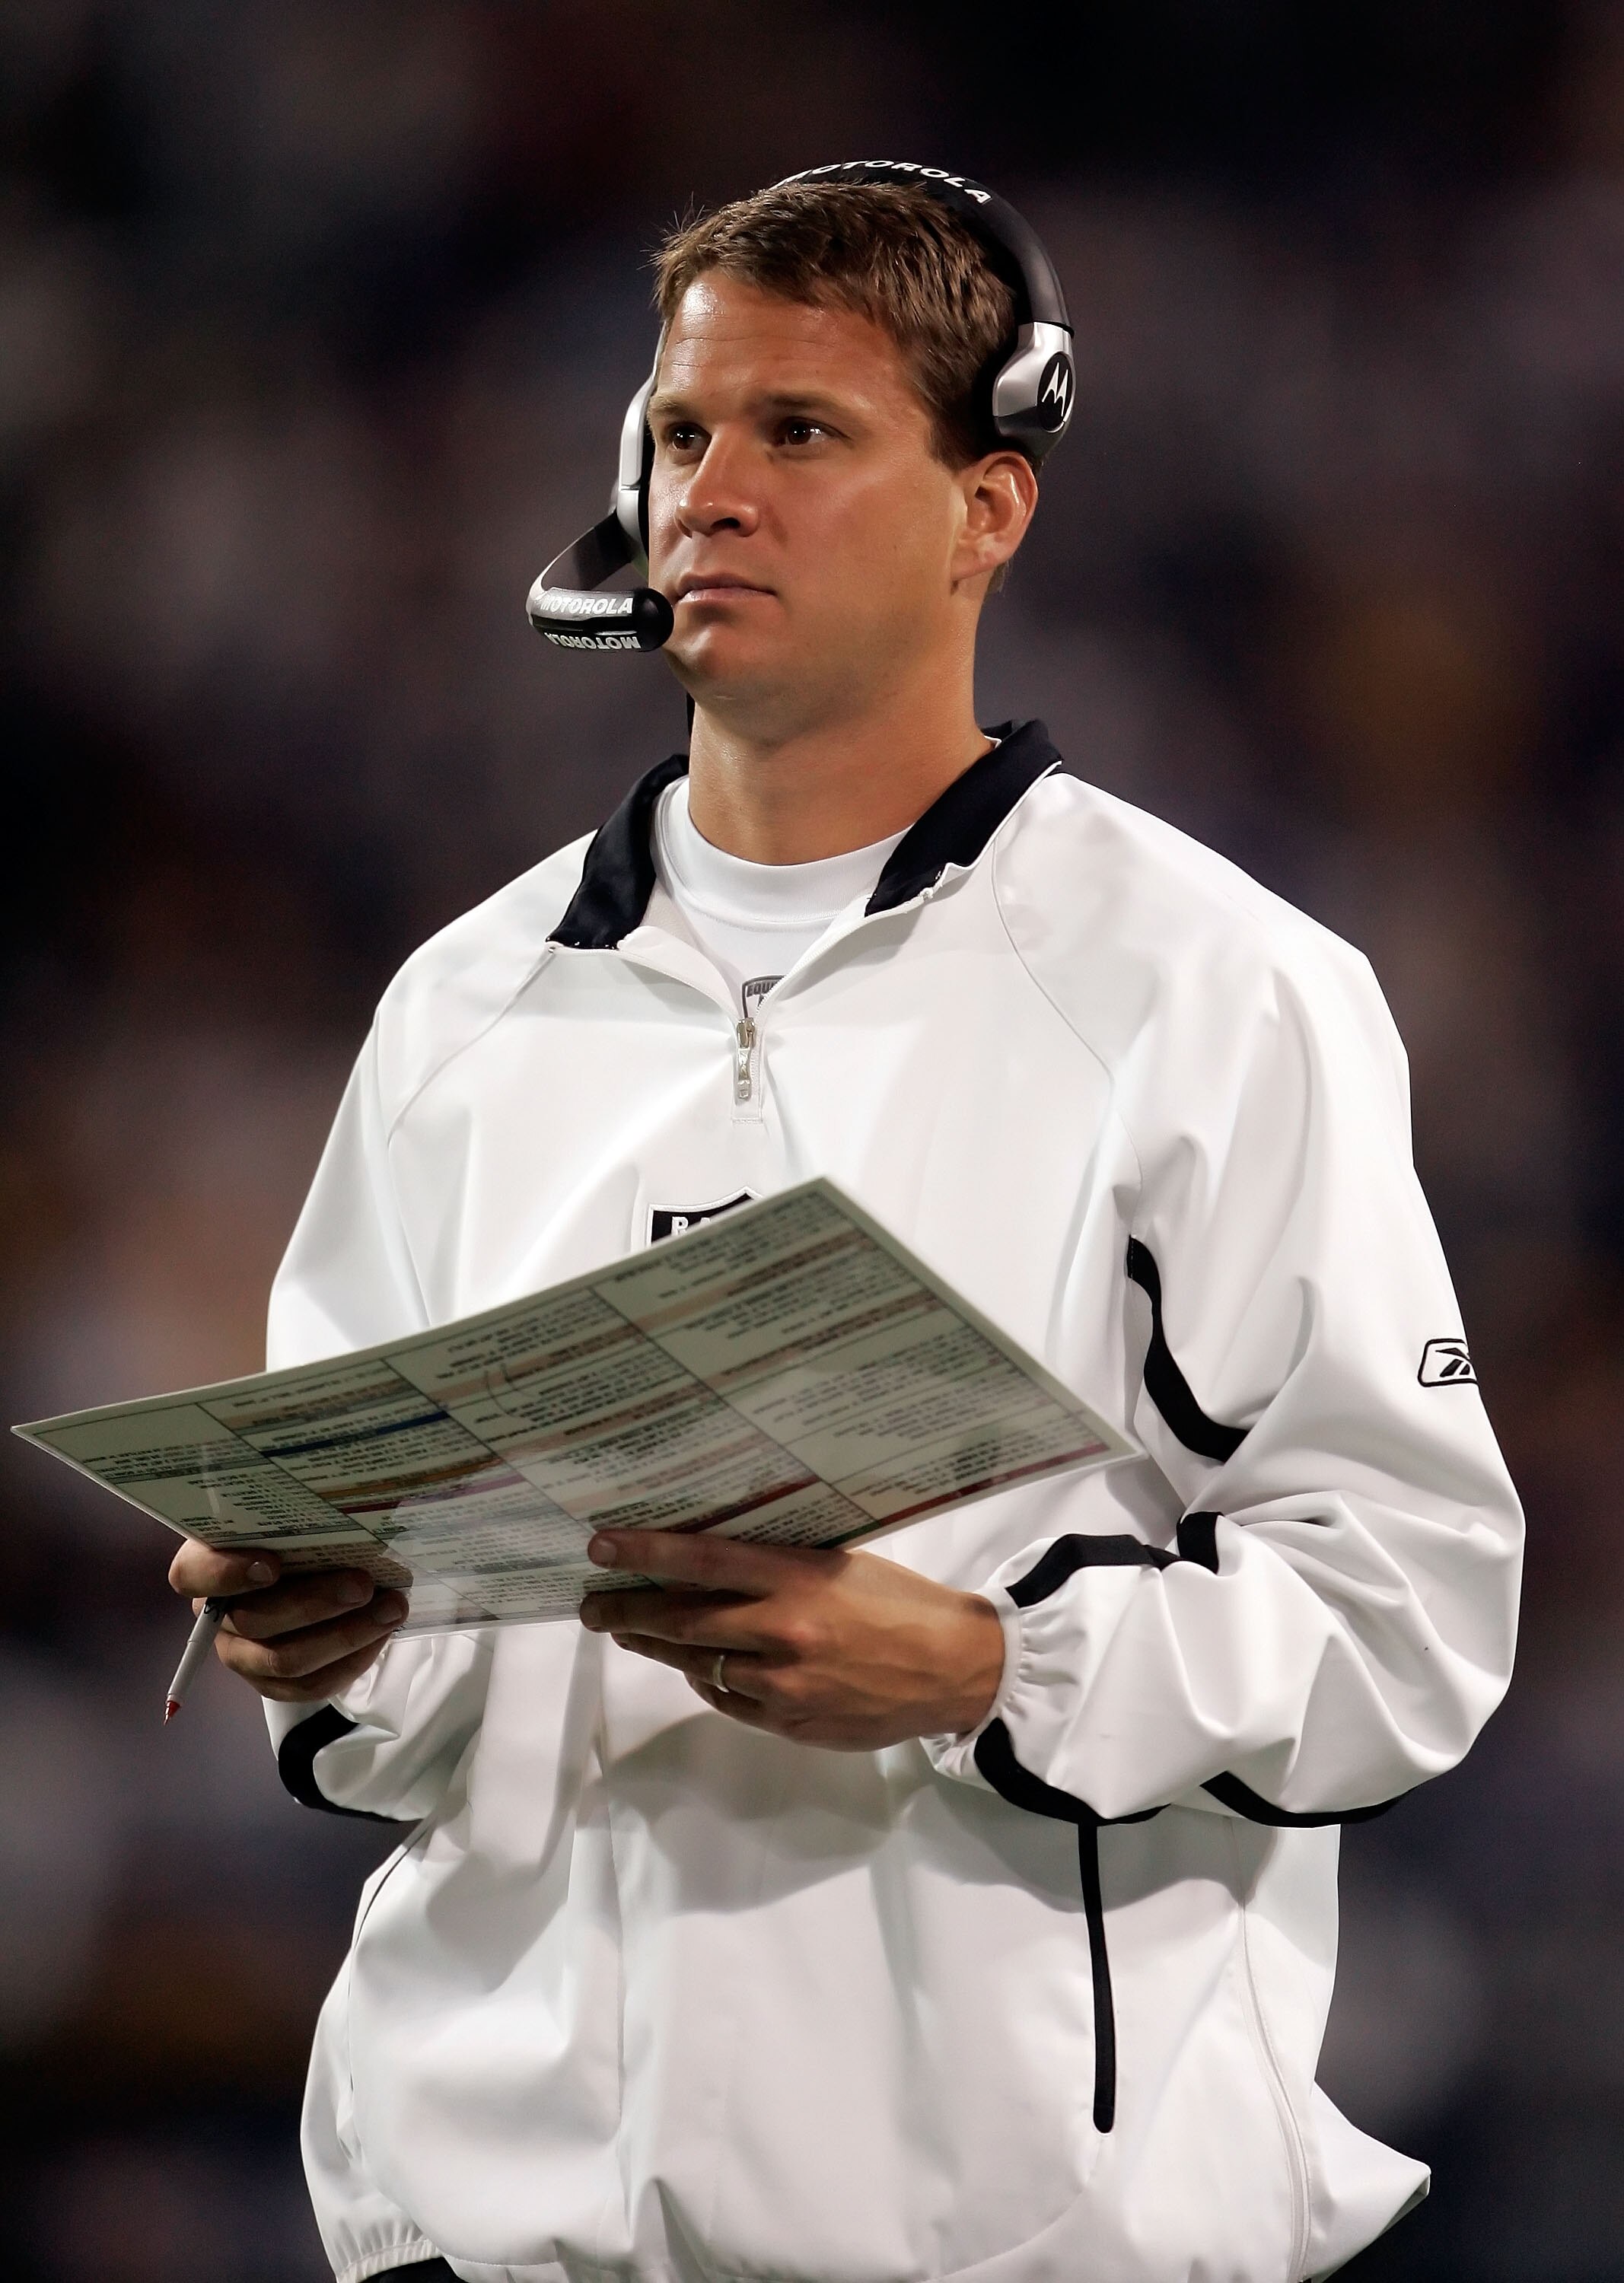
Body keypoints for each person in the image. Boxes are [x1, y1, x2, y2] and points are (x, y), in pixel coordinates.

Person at [170, 170, 1522, 2283]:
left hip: (1012, 2238)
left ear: (992, 506)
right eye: (682, 433)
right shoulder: (464, 1002)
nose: (712, 489)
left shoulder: (1215, 985)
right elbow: (399, 1677)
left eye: (801, 432)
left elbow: (1416, 1611)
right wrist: (320, 1633)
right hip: (482, 2215)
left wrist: (989, 1662)